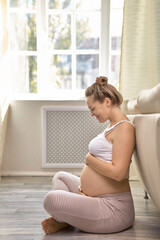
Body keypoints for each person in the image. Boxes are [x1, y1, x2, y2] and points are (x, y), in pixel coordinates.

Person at [41, 76, 135, 234]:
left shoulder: (124, 129)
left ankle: (64, 219)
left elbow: (119, 173)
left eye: (93, 108)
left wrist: (89, 160)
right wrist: (89, 189)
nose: (92, 114)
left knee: (51, 199)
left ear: (107, 102)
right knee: (60, 177)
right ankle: (67, 218)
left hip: (114, 210)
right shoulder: (112, 126)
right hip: (97, 199)